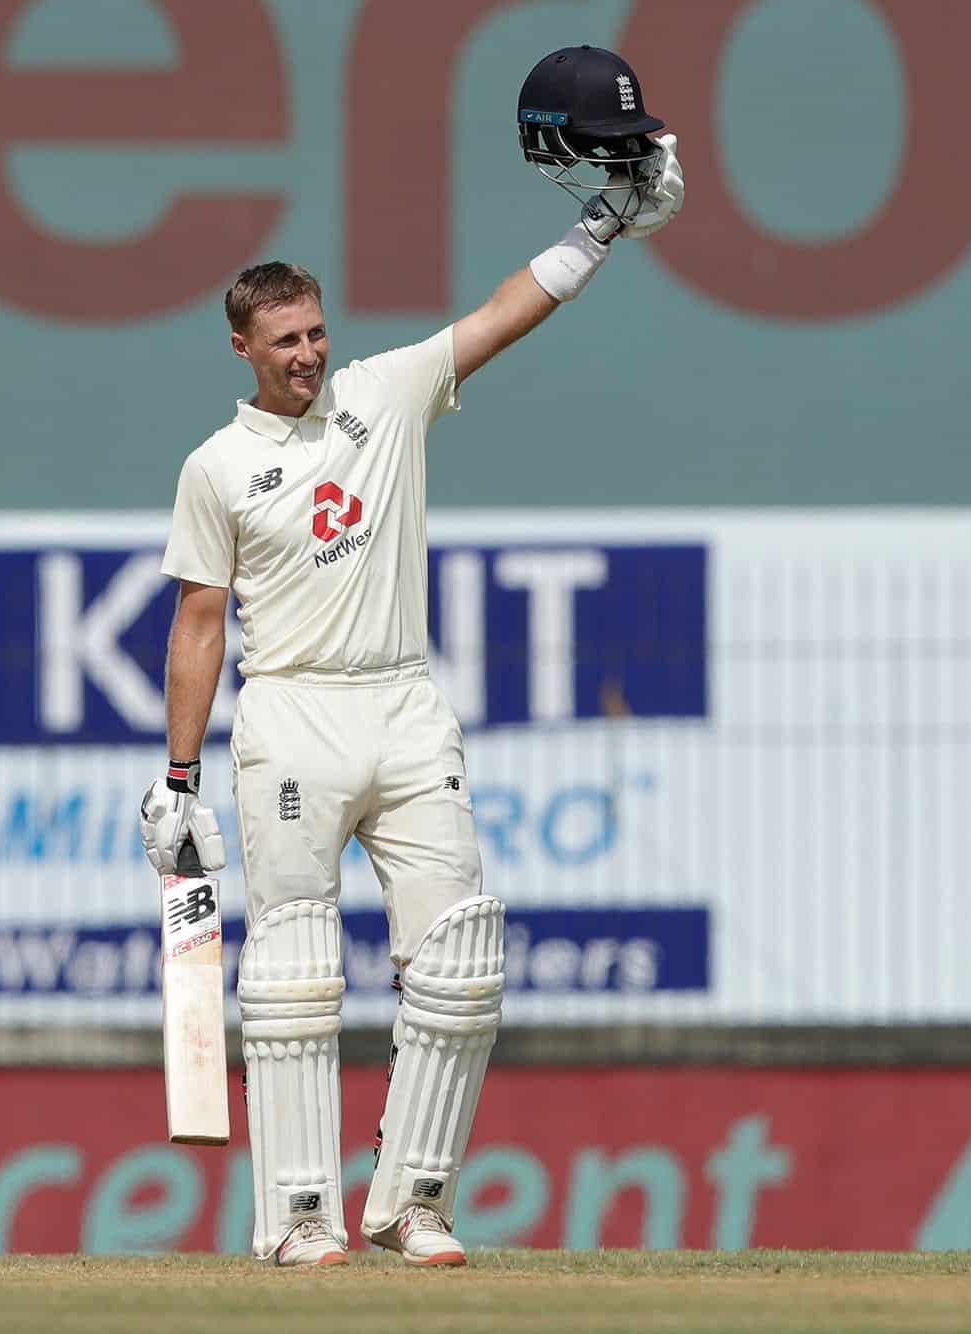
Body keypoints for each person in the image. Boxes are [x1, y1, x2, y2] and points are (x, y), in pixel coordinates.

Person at [137, 46, 686, 1268]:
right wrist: (175, 781)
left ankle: (410, 1200)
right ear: (241, 348)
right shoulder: (217, 469)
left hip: (401, 704)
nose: (308, 355)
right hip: (290, 717)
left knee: (463, 953)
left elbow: (504, 311)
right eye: (284, 340)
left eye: (317, 332)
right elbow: (196, 625)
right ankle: (296, 1218)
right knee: (290, 970)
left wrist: (608, 220)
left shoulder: (383, 395)